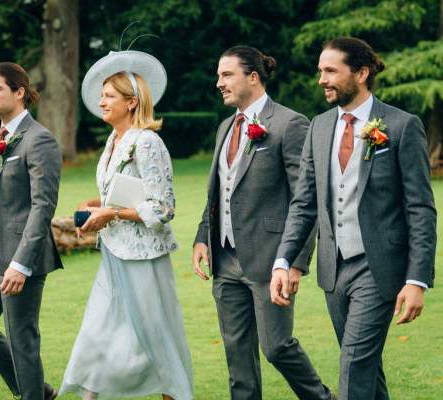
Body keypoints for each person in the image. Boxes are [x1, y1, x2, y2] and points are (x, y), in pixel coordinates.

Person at [270, 37, 436, 400]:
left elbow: (420, 209)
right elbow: (304, 203)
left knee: (354, 363)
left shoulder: (402, 126)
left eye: (330, 71)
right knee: (366, 366)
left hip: (380, 269)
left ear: (361, 73)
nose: (321, 79)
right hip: (334, 270)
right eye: (320, 71)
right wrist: (284, 260)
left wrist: (416, 280)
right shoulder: (319, 126)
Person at [192, 45, 334, 400]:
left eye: (227, 75)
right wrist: (202, 238)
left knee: (276, 347)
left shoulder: (289, 124)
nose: (218, 83)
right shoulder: (226, 127)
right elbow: (218, 190)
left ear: (252, 77)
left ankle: (323, 398)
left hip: (272, 261)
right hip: (224, 259)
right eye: (218, 75)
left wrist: (296, 262)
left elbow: (307, 199)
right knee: (237, 354)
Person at [59, 50, 193, 400]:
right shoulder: (112, 141)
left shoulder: (148, 142)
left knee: (154, 334)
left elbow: (164, 208)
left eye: (109, 96)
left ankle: (174, 394)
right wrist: (94, 205)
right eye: (102, 95)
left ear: (132, 103)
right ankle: (89, 395)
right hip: (113, 252)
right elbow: (120, 193)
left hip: (143, 258)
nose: (100, 101)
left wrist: (111, 214)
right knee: (98, 328)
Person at [0, 62, 63, 400]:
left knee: (22, 339)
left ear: (19, 92)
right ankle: (37, 391)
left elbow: (42, 206)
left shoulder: (40, 140)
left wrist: (21, 264)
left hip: (22, 258)